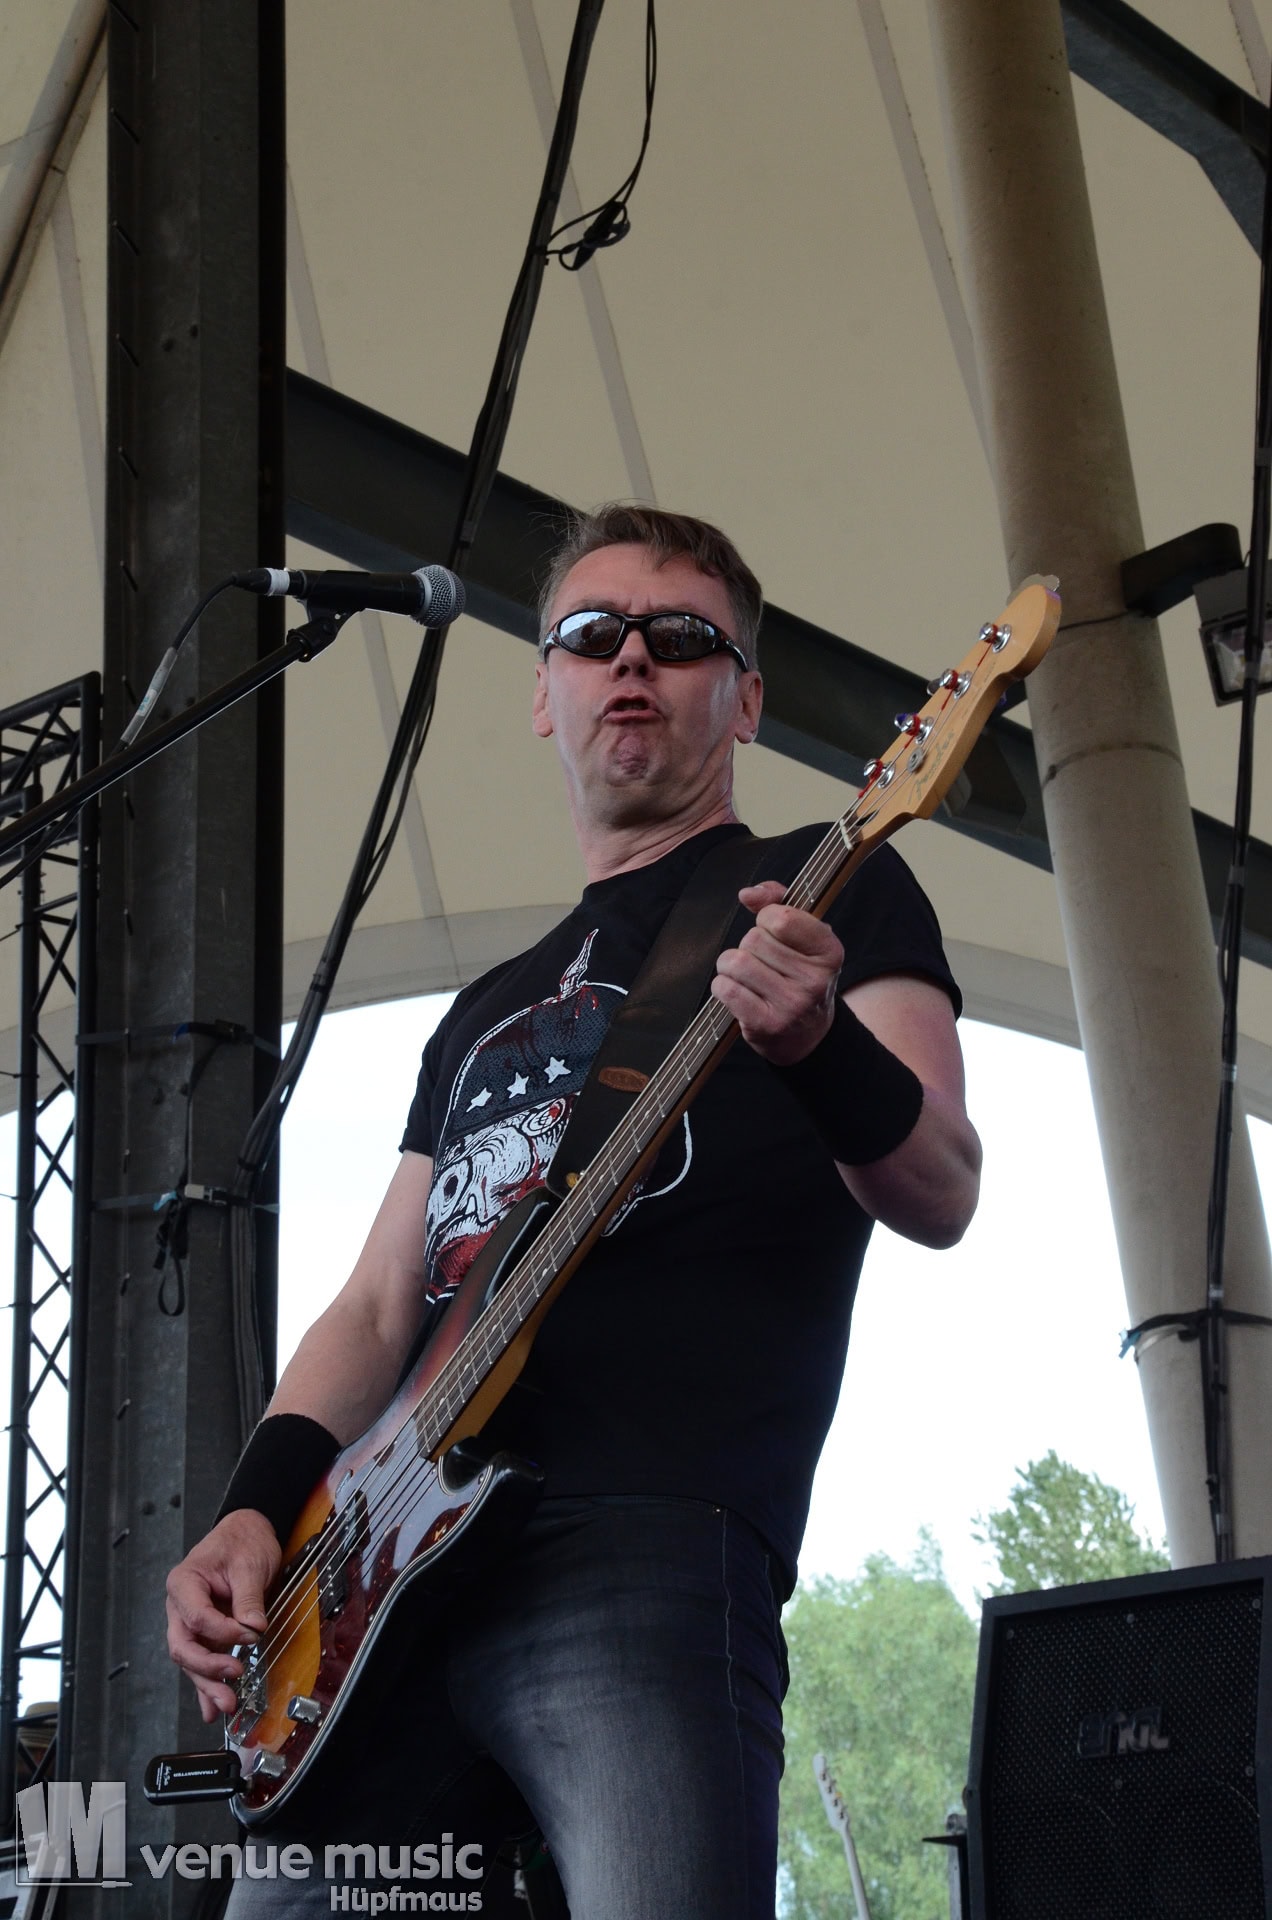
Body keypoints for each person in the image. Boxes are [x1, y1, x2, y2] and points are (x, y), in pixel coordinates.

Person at [165, 506, 981, 1919]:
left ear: (747, 699)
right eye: (593, 635)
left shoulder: (827, 886)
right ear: (544, 693)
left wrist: (814, 1046)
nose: (633, 661)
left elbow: (944, 1186)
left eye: (682, 638)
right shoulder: (481, 1011)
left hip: (645, 1540)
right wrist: (254, 1507)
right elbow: (379, 1304)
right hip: (374, 1588)